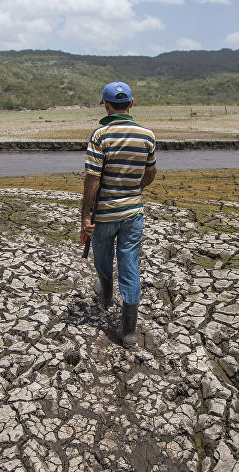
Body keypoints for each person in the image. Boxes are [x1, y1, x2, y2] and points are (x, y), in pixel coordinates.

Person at [80, 81, 157, 348]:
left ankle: (106, 296)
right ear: (131, 104)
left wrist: (85, 216)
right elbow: (150, 174)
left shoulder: (100, 135)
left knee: (102, 258)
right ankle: (128, 332)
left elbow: (92, 180)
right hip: (133, 214)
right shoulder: (147, 136)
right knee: (129, 266)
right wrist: (132, 191)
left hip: (105, 215)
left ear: (106, 105)